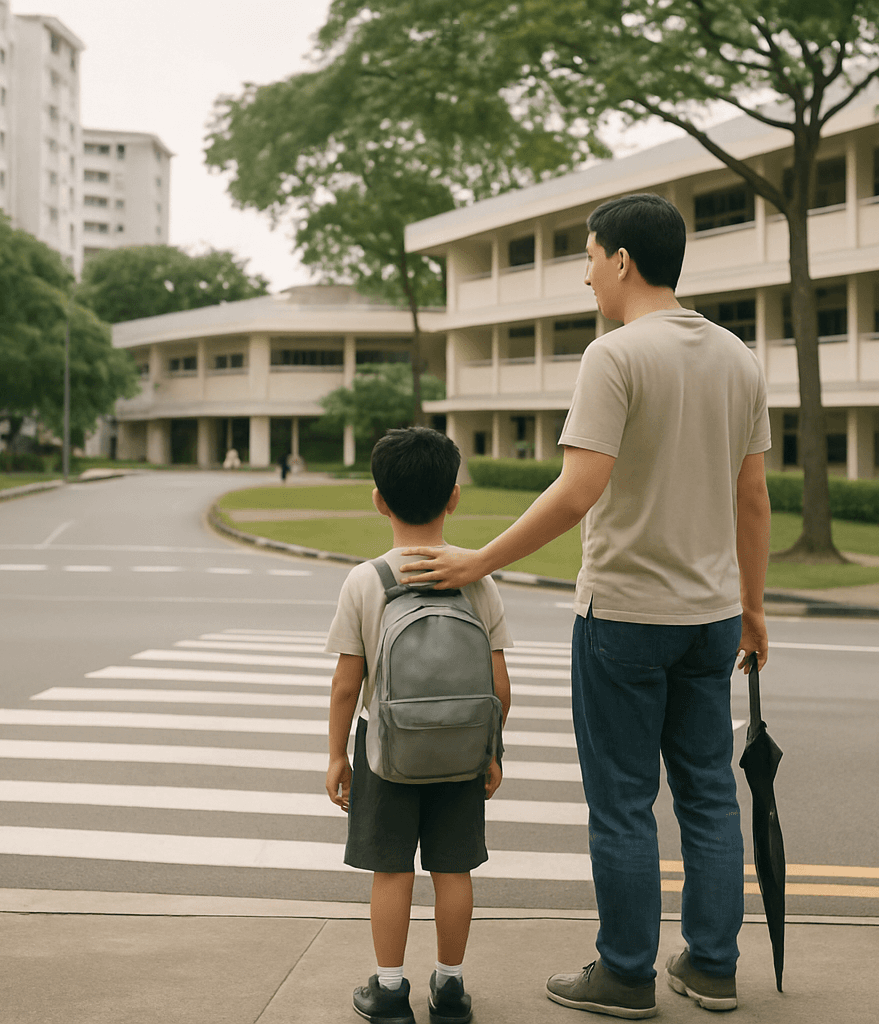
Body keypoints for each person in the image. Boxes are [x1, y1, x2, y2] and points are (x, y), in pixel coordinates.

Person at [399, 193, 771, 1018]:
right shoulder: (739, 358)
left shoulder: (614, 356)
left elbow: (578, 490)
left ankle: (627, 974)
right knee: (709, 794)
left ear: (622, 261)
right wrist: (752, 606)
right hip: (712, 619)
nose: (587, 276)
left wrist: (478, 560)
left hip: (627, 616)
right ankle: (713, 966)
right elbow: (752, 497)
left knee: (624, 801)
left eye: (591, 258)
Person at [325, 426, 513, 1024]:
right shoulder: (477, 577)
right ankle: (450, 989)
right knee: (453, 868)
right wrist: (491, 750)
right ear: (453, 496)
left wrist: (337, 755)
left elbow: (346, 684)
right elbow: (499, 684)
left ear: (379, 500)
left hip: (385, 750)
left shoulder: (366, 581)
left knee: (391, 870)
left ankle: (388, 991)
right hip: (461, 748)